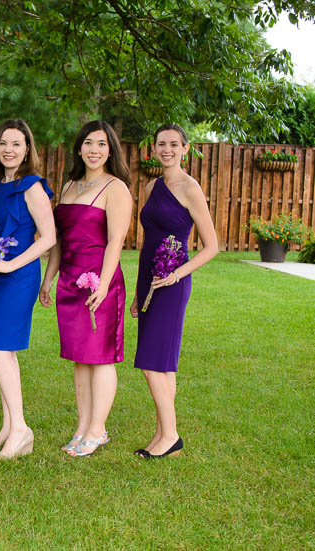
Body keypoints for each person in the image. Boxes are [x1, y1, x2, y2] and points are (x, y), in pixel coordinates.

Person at [39, 120, 132, 457]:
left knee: (101, 358)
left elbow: (116, 242)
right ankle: (83, 426)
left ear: (111, 151)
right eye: (89, 143)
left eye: (102, 144)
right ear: (79, 148)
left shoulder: (116, 188)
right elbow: (60, 241)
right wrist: (48, 278)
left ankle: (98, 430)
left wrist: (104, 285)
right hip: (69, 282)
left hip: (99, 282)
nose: (95, 150)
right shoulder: (68, 187)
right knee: (80, 358)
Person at [130, 124, 218, 458]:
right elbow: (147, 240)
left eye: (173, 144)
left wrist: (176, 275)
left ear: (185, 148)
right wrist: (140, 293)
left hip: (172, 282)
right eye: (160, 144)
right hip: (148, 281)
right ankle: (161, 434)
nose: (166, 149)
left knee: (152, 361)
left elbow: (212, 247)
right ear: (153, 149)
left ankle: (171, 435)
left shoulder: (190, 188)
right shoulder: (153, 185)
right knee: (163, 364)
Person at [0, 119, 56, 459]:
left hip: (18, 277)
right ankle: (9, 427)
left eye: (17, 144)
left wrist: (10, 264)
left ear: (27, 149)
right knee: (4, 353)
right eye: (4, 144)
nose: (9, 149)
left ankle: (21, 428)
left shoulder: (32, 186)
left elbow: (50, 238)